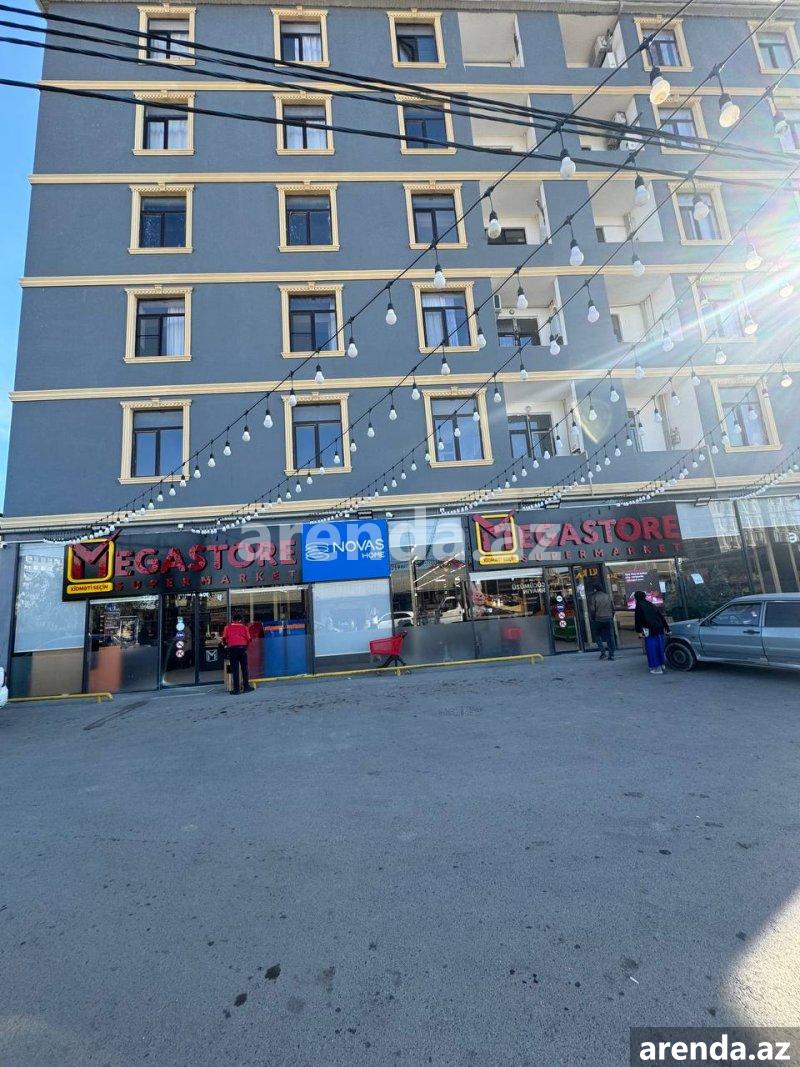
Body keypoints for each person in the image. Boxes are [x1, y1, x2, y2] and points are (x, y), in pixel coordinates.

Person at [633, 590, 670, 675]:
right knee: (660, 648)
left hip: (650, 630)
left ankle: (656, 668)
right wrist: (667, 628)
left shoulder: (639, 605)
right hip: (659, 629)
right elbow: (660, 616)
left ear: (636, 598)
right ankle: (662, 664)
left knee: (652, 649)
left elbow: (638, 619)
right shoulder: (651, 604)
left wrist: (639, 631)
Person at [221, 612, 254, 694]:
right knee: (244, 668)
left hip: (232, 649)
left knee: (235, 669)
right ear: (240, 620)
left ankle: (236, 689)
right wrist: (246, 647)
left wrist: (227, 646)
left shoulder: (227, 627)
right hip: (242, 648)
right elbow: (249, 639)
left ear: (232, 620)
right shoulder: (244, 627)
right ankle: (246, 687)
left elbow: (224, 639)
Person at [589, 586, 616, 661]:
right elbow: (613, 608)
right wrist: (611, 616)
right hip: (608, 618)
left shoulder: (594, 597)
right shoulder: (608, 596)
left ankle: (603, 652)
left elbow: (592, 609)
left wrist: (593, 618)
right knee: (609, 636)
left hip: (598, 619)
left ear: (595, 589)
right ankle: (611, 654)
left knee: (597, 636)